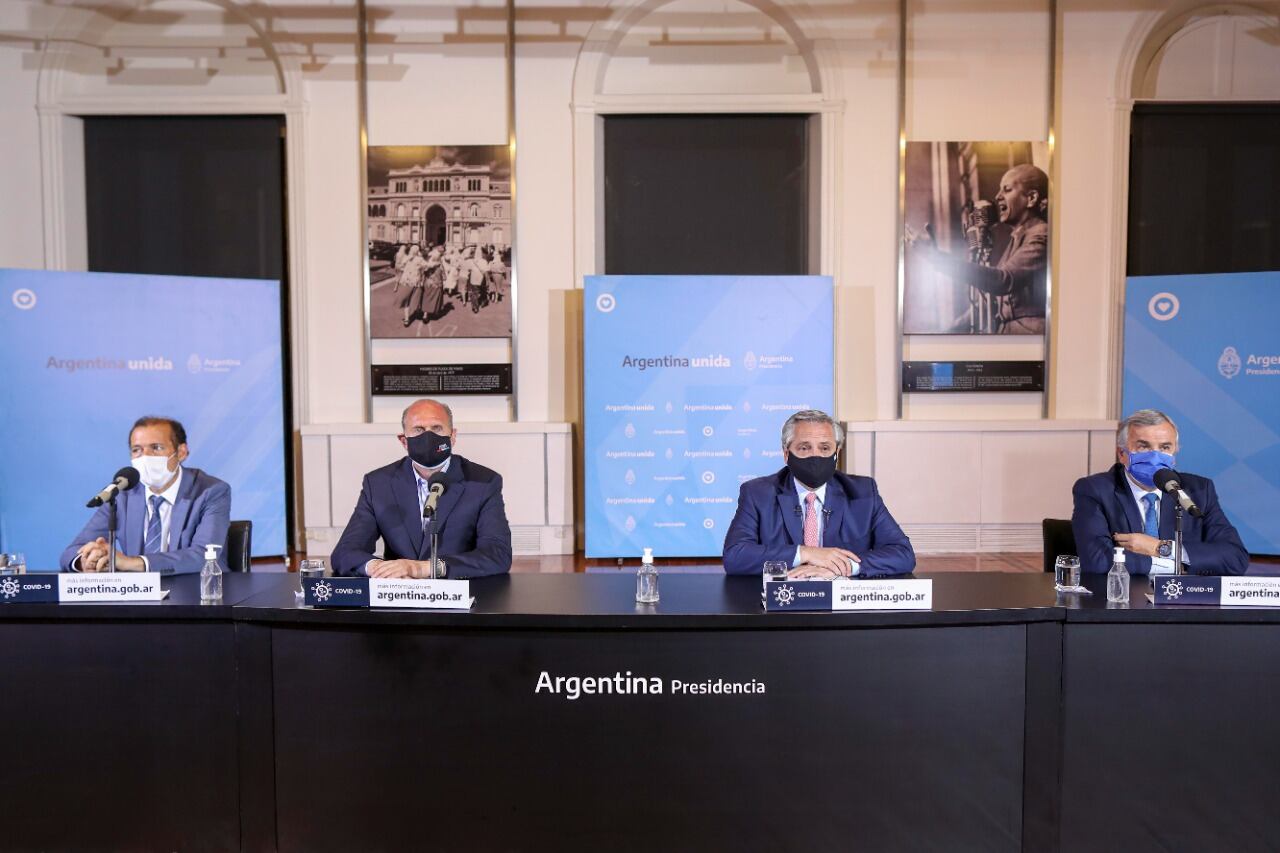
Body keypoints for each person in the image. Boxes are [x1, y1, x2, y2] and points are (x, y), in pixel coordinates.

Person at [330, 399, 512, 578]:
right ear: (404, 441)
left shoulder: (484, 482)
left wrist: (426, 568)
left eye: (437, 428)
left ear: (453, 436)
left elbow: (497, 554)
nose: (428, 437)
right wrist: (382, 569)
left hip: (464, 595)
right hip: (398, 595)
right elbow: (344, 553)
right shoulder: (378, 484)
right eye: (418, 430)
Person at [722, 410, 915, 578]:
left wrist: (841, 567)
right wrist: (806, 554)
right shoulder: (757, 493)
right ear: (786, 453)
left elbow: (903, 554)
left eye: (824, 448)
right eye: (804, 448)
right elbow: (735, 556)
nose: (815, 456)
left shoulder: (863, 493)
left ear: (836, 453)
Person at [1071, 409, 1248, 575]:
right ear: (1121, 454)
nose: (1155, 456)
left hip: (1183, 601)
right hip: (1124, 599)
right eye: (1144, 446)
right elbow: (1097, 561)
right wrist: (1176, 564)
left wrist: (1160, 548)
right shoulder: (1094, 490)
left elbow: (1235, 557)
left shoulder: (1199, 490)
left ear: (1174, 454)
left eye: (1164, 448)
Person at [60, 416, 231, 574]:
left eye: (156, 448)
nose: (145, 457)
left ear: (181, 452)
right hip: (139, 598)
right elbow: (71, 551)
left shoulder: (211, 491)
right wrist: (87, 559)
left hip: (197, 594)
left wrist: (131, 562)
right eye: (137, 450)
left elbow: (204, 556)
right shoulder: (121, 494)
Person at [908, 163, 1048, 334]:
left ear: (1031, 198)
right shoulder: (1017, 238)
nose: (997, 197)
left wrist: (937, 258)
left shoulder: (1042, 233)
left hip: (1030, 337)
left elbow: (1003, 281)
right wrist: (945, 332)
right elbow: (990, 302)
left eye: (1007, 189)